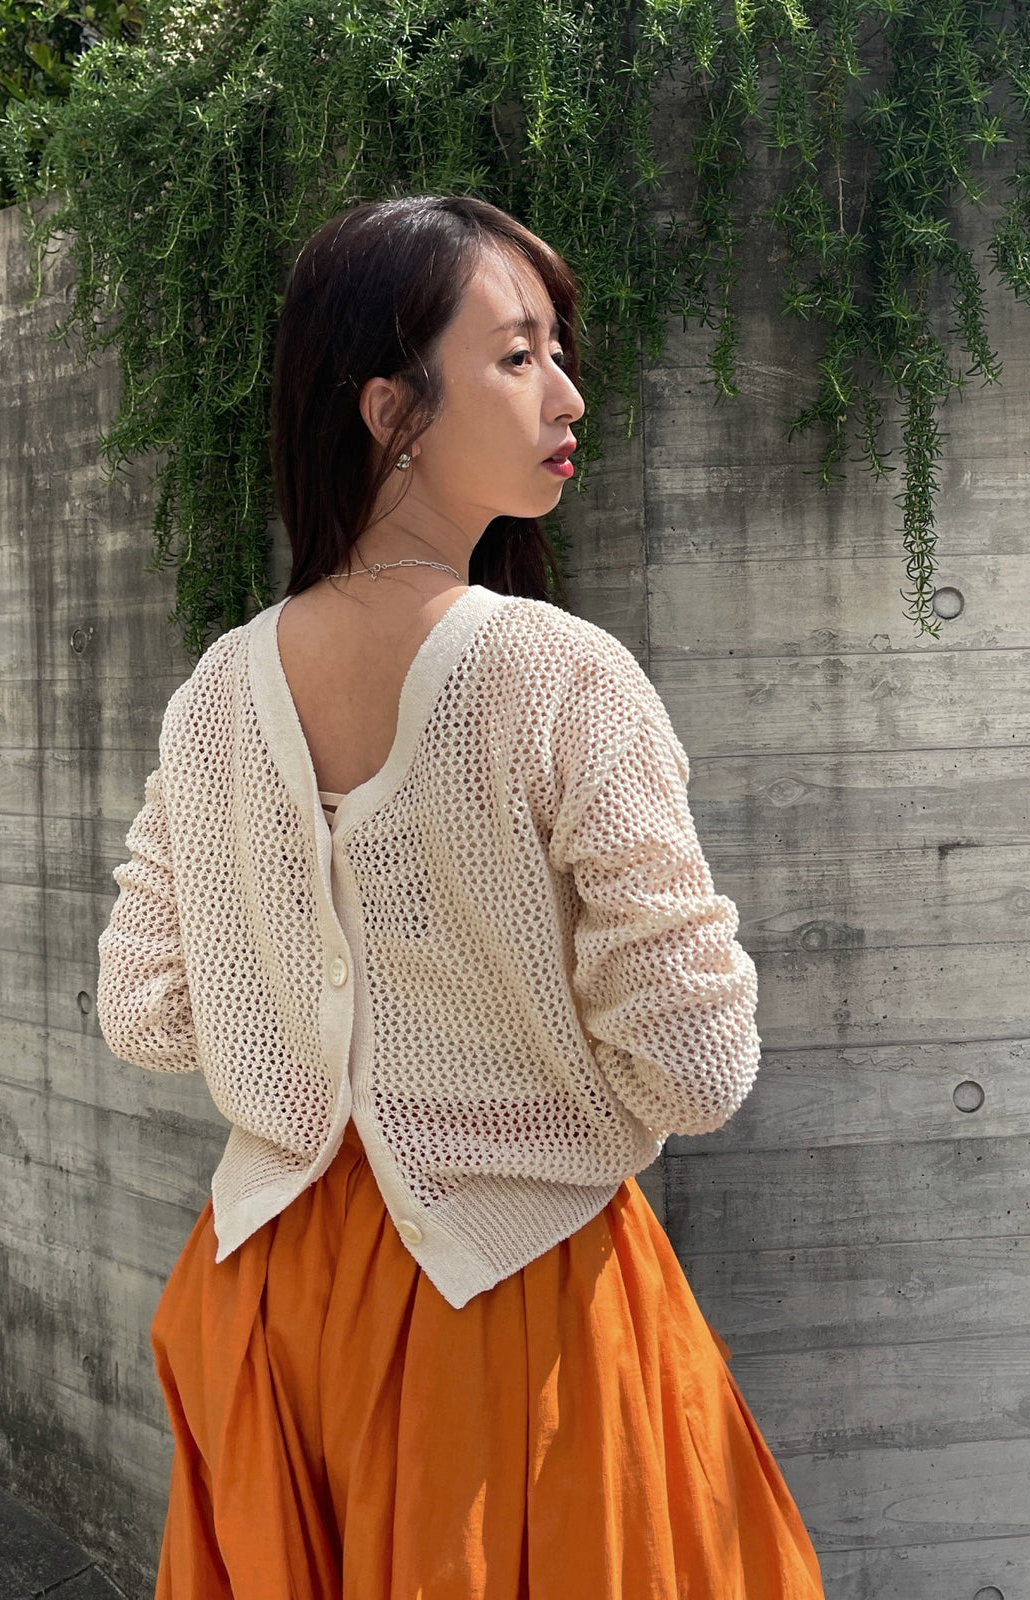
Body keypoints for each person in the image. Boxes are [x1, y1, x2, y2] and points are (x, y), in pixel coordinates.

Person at [96, 193, 826, 1600]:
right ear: (392, 411)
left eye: (557, 351)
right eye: (517, 354)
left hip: (270, 1295)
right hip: (511, 1307)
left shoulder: (214, 698)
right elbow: (695, 1067)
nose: (568, 393)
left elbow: (148, 1013)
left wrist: (301, 995)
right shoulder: (561, 678)